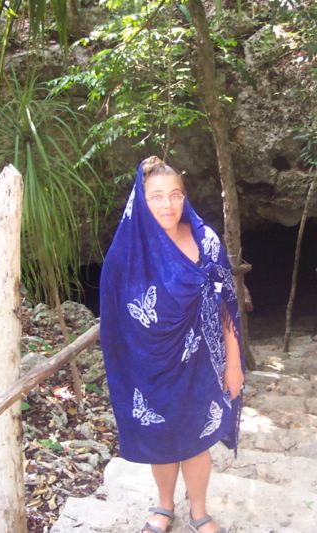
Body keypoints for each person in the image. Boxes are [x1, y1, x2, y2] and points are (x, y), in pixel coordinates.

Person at [99, 156, 244, 533]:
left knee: (197, 441)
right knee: (161, 440)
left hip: (202, 364)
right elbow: (115, 319)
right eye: (157, 196)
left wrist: (233, 364)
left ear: (185, 197)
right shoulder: (126, 253)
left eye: (176, 195)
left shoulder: (206, 241)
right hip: (150, 367)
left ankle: (199, 511)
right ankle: (164, 506)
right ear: (141, 200)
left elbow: (226, 303)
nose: (168, 204)